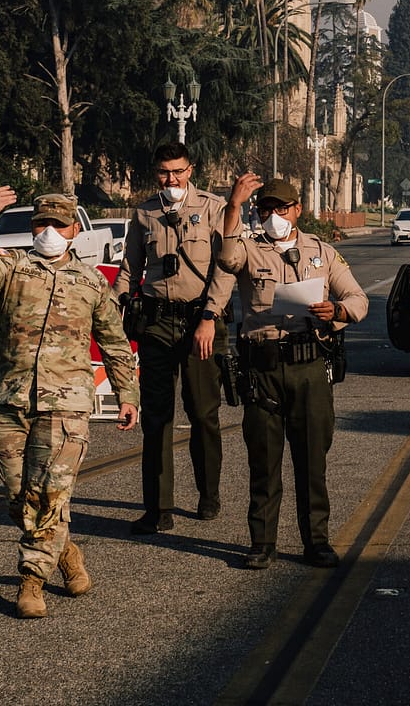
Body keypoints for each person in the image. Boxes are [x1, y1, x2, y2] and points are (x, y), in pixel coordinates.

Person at [0, 187, 139, 620]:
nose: (50, 231)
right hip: (12, 400)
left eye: (59, 224)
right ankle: (65, 552)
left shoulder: (93, 282)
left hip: (67, 405)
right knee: (17, 494)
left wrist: (126, 395)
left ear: (75, 230)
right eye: (42, 223)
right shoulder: (14, 269)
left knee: (51, 493)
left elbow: (114, 345)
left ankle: (31, 581)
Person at [219, 174, 368, 570]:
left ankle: (316, 541)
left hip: (309, 365)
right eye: (265, 209)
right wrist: (234, 206)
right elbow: (226, 259)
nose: (273, 216)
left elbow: (357, 298)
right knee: (264, 462)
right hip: (263, 368)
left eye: (281, 209)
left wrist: (335, 311)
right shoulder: (249, 250)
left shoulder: (322, 252)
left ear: (297, 210)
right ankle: (262, 542)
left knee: (311, 461)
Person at [113, 142, 235, 535]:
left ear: (191, 170)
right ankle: (158, 507)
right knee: (157, 417)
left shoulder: (214, 208)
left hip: (201, 320)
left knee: (202, 412)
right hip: (157, 322)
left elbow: (226, 269)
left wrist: (210, 317)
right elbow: (130, 265)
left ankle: (208, 494)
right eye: (164, 173)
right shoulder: (145, 212)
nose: (171, 179)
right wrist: (116, 307)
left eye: (178, 171)